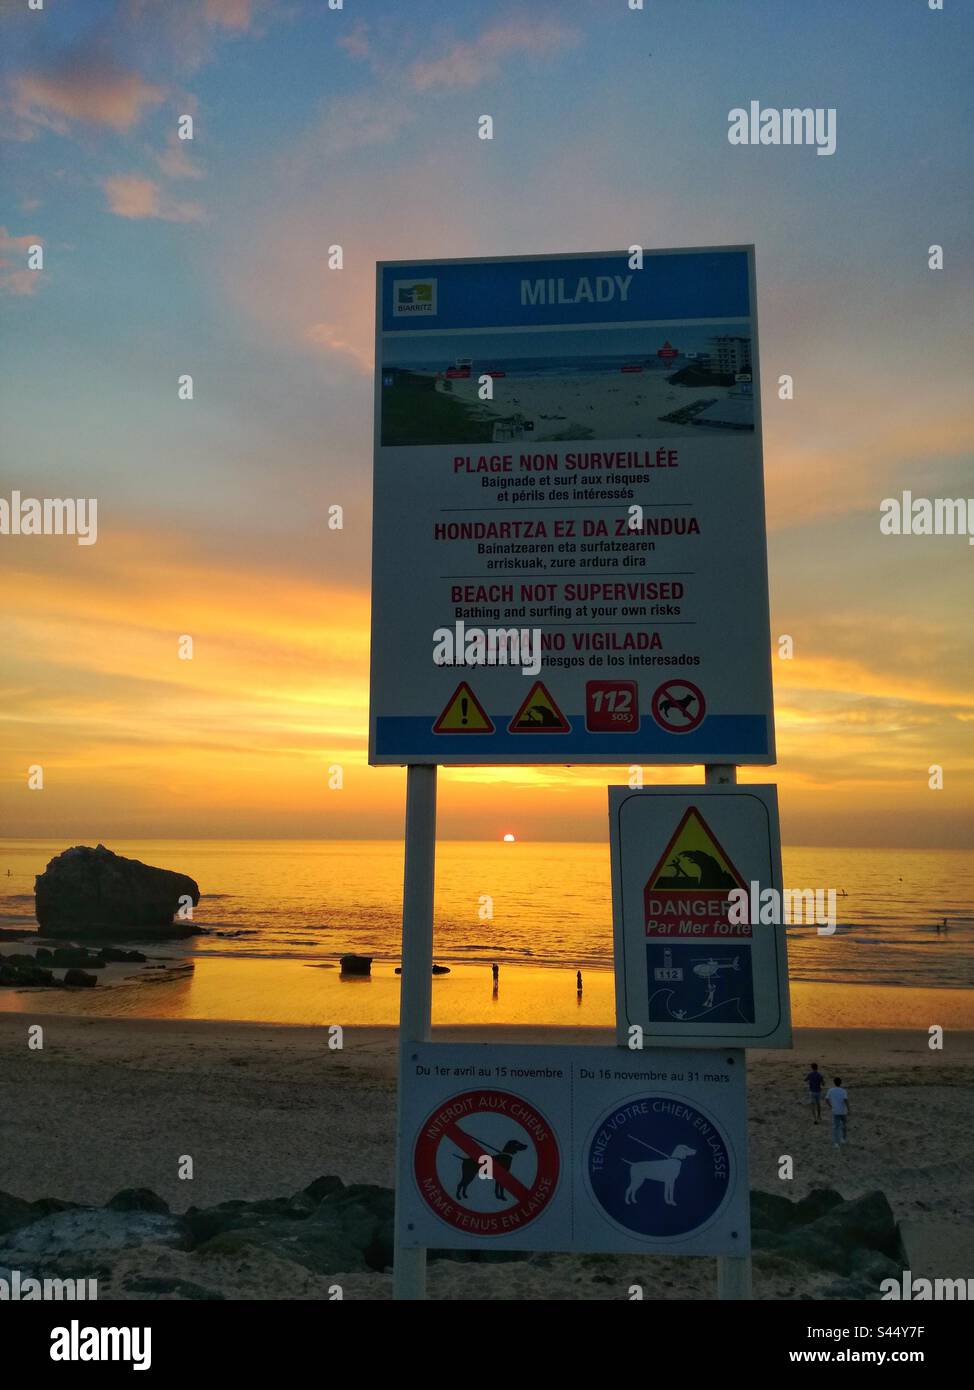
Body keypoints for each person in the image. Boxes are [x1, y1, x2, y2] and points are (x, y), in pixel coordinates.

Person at [825, 1075, 849, 1147]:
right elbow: (845, 1100)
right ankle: (843, 1139)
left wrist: (830, 1106)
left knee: (835, 1127)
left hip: (835, 1111)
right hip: (843, 1111)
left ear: (834, 1083)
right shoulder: (843, 1091)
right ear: (840, 1083)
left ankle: (836, 1142)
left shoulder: (831, 1090)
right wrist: (849, 1108)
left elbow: (826, 1099)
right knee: (844, 1125)